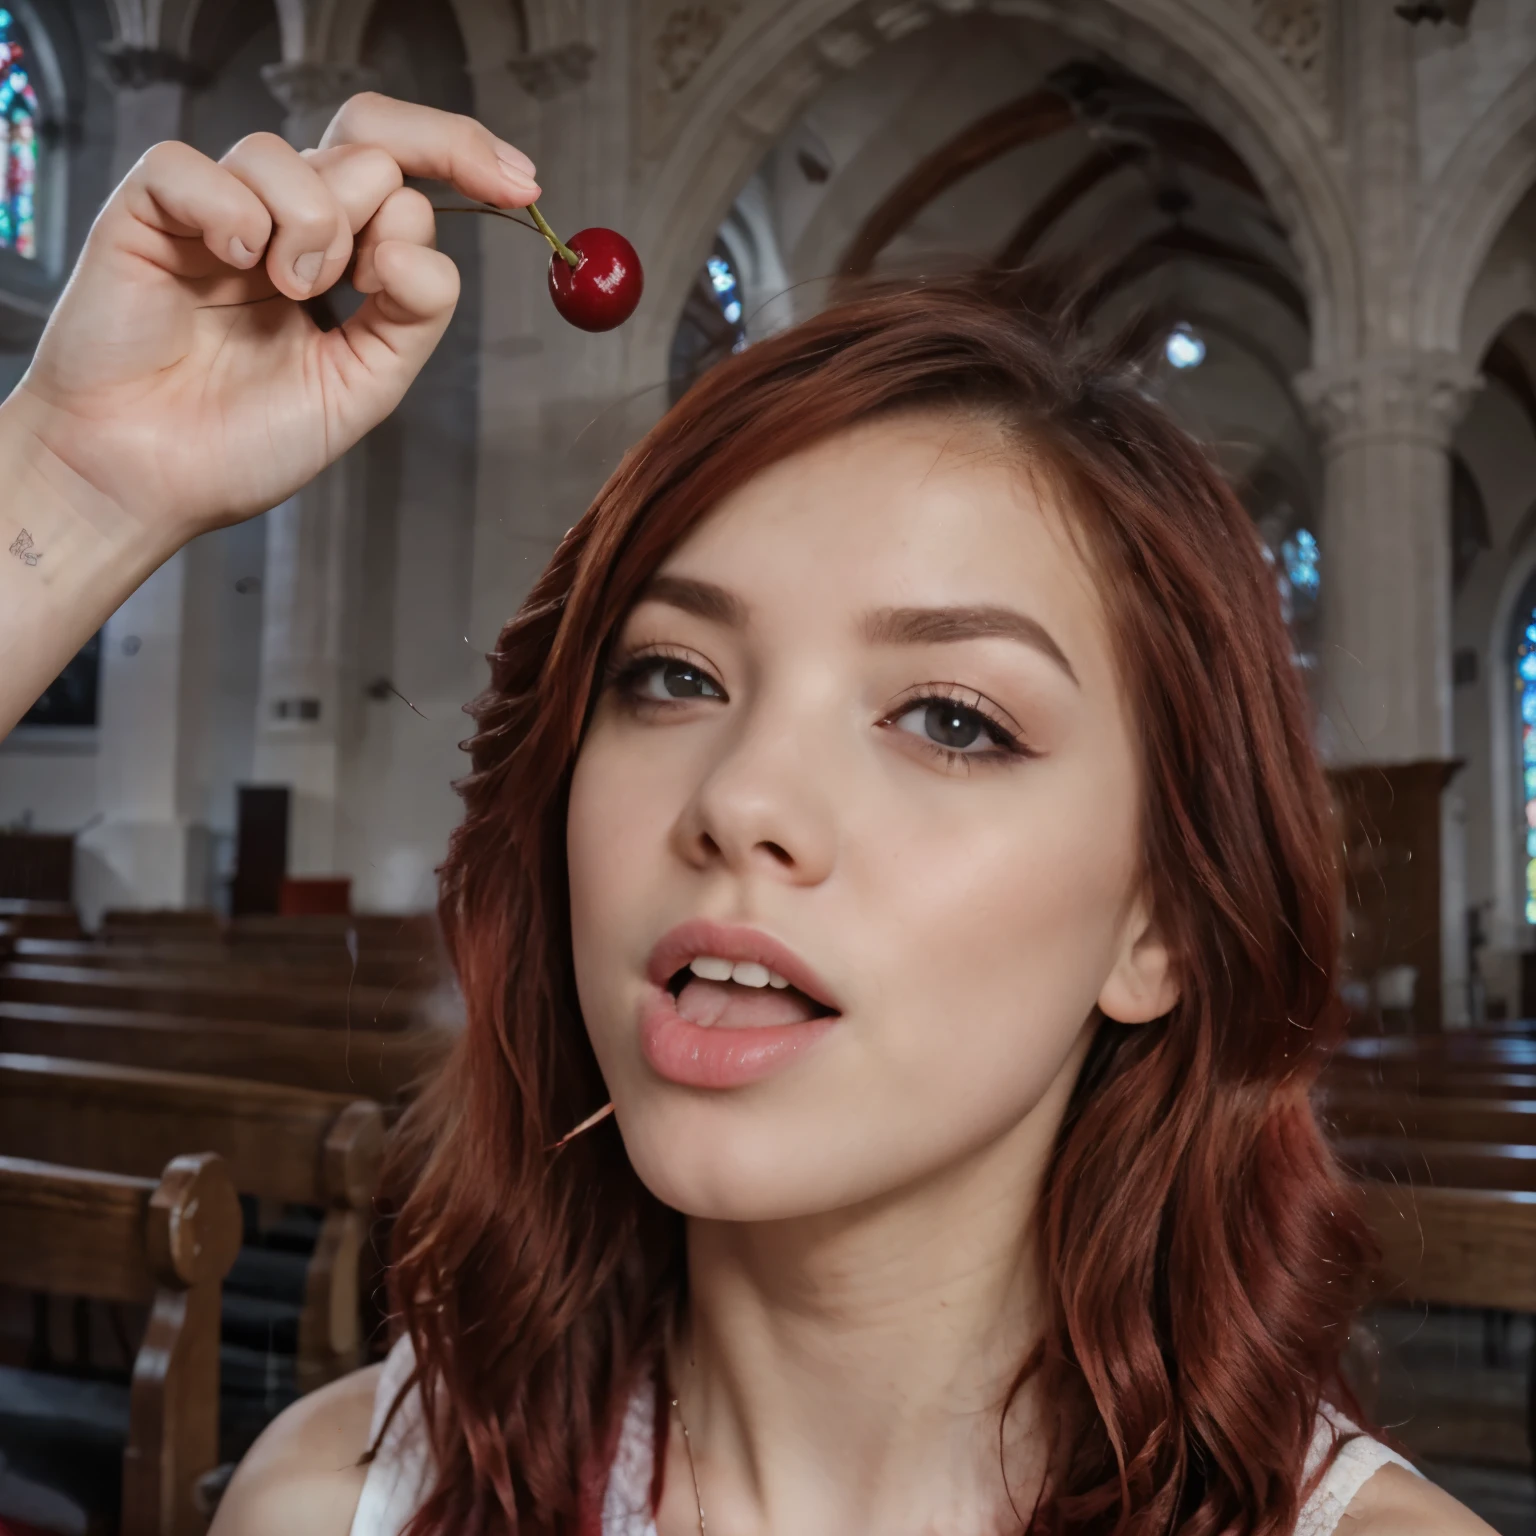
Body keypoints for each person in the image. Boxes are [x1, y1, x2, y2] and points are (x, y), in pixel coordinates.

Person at [0, 96, 1489, 1536]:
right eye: (671, 674)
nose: (741, 798)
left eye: (951, 718)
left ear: (1162, 922)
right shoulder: (335, 1503)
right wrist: (70, 490)